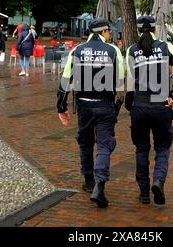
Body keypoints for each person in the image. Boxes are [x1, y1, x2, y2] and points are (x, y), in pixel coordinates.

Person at [57, 18, 124, 208]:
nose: (110, 34)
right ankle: (99, 185)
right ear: (103, 32)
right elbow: (120, 80)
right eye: (109, 31)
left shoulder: (77, 50)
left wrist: (61, 107)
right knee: (104, 145)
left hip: (84, 105)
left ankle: (88, 181)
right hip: (105, 105)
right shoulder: (113, 51)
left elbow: (65, 81)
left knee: (85, 143)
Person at [125, 16, 173, 205]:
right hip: (161, 105)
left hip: (140, 105)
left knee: (141, 149)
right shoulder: (165, 46)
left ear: (138, 30)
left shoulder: (132, 50)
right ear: (155, 28)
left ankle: (144, 192)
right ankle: (159, 181)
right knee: (162, 147)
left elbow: (130, 81)